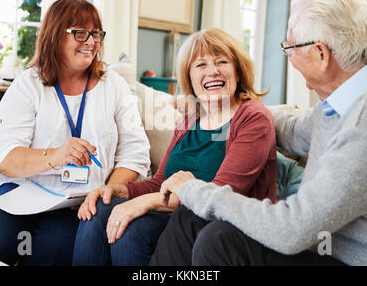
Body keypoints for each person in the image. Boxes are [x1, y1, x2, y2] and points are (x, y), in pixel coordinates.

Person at [151, 0, 367, 266]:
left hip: (346, 259)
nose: (289, 57)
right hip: (320, 246)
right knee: (195, 220)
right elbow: (293, 130)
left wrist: (193, 188)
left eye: (290, 48)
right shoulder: (342, 104)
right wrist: (237, 109)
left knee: (218, 240)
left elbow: (293, 229)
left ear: (321, 54)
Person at [72, 27, 278, 266]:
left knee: (133, 231)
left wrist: (144, 202)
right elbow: (160, 182)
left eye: (222, 61)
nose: (213, 71)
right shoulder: (190, 118)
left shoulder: (252, 117)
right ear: (189, 77)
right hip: (179, 216)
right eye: (200, 65)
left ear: (238, 70)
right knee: (100, 208)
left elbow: (222, 196)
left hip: (225, 227)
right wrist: (120, 191)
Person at [0, 0, 150, 266]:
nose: (90, 41)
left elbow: (134, 155)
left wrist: (106, 191)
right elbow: (3, 157)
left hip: (77, 201)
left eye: (95, 34)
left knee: (54, 250)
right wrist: (55, 156)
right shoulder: (28, 84)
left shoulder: (113, 86)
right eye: (80, 33)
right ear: (55, 35)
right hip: (21, 191)